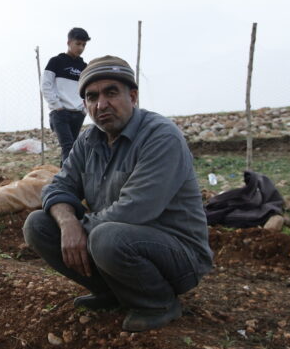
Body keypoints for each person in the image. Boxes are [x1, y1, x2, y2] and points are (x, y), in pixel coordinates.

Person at [22, 56, 212, 332]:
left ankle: (158, 302)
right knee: (38, 224)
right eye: (92, 96)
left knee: (107, 237)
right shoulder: (88, 140)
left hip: (177, 254)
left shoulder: (160, 136)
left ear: (132, 96)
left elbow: (134, 210)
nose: (101, 104)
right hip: (118, 242)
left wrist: (79, 228)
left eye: (111, 92)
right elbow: (58, 186)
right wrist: (67, 223)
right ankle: (114, 293)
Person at [41, 27, 90, 163]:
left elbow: (87, 90)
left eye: (84, 45)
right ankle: (66, 181)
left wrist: (84, 109)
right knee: (67, 146)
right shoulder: (56, 61)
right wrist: (57, 106)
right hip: (60, 112)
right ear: (69, 42)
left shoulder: (84, 67)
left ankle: (66, 179)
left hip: (78, 112)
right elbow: (46, 85)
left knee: (74, 147)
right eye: (78, 44)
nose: (81, 48)